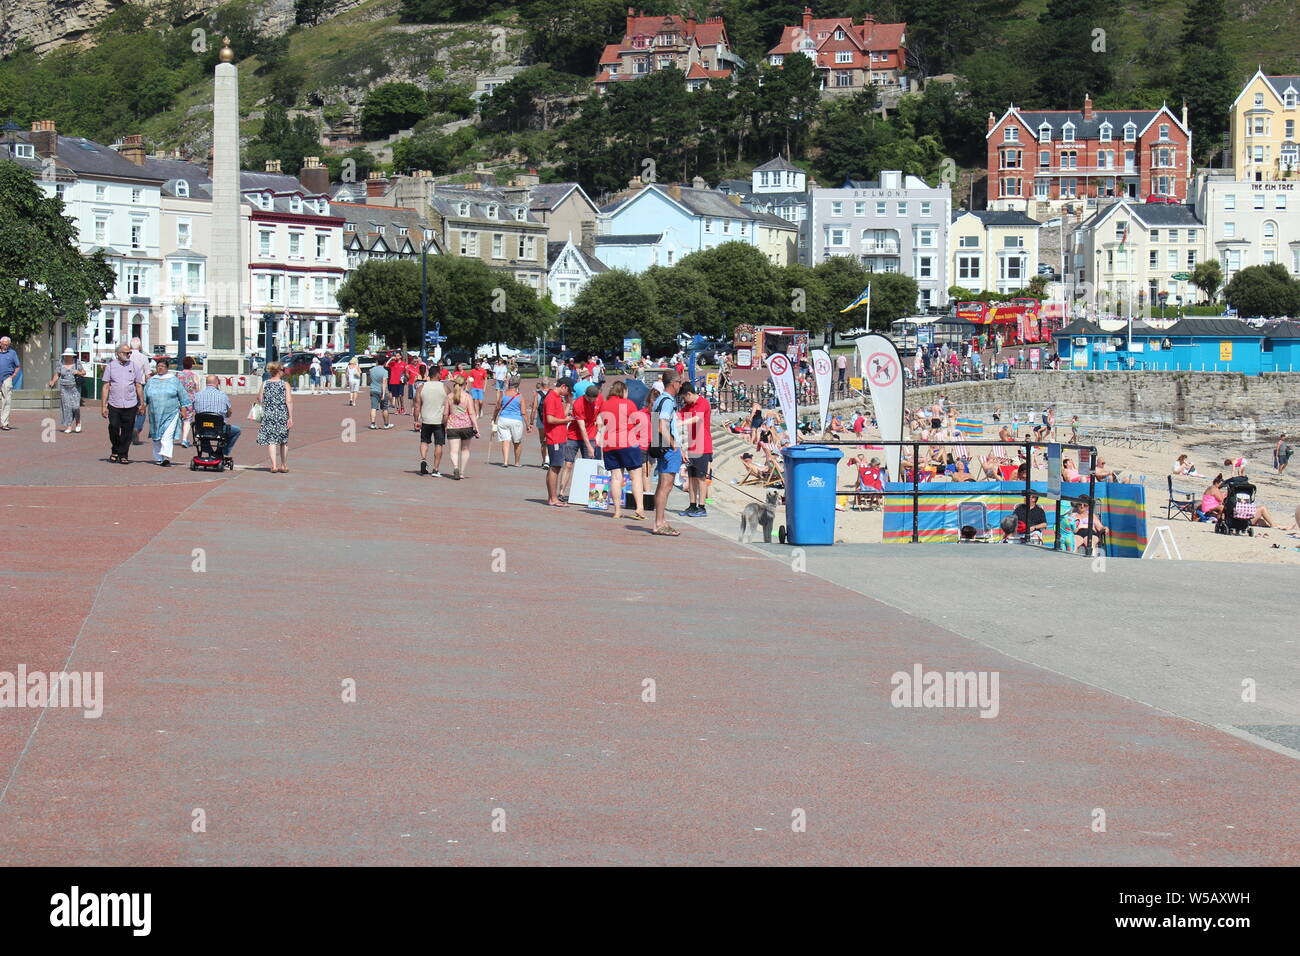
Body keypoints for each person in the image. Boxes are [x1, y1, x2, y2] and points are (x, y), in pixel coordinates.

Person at [597, 380, 647, 521]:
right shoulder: (628, 404)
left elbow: (602, 422)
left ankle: (617, 510)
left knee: (616, 478)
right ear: (623, 391)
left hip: (610, 444)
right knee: (636, 476)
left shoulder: (605, 404)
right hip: (627, 442)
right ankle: (640, 508)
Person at [649, 370, 683, 536]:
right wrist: (674, 444)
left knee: (662, 485)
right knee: (666, 486)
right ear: (673, 383)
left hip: (659, 446)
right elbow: (661, 425)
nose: (680, 385)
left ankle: (660, 520)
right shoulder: (668, 401)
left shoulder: (659, 399)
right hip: (668, 448)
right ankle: (659, 522)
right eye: (679, 382)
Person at [101, 342, 145, 463]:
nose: (129, 354)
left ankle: (123, 454)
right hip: (114, 403)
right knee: (113, 427)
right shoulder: (111, 366)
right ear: (118, 353)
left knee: (127, 430)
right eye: (126, 352)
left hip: (130, 403)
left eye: (130, 352)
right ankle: (115, 448)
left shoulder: (134, 366)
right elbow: (105, 386)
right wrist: (103, 406)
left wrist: (142, 403)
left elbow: (138, 385)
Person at [143, 357, 191, 466]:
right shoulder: (151, 381)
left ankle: (166, 457)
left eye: (163, 366)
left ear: (167, 368)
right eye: (158, 366)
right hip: (154, 413)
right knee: (156, 436)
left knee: (167, 435)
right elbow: (145, 397)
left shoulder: (174, 380)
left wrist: (183, 409)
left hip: (171, 413)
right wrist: (142, 407)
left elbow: (182, 396)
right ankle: (158, 457)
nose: (160, 368)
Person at [676, 382, 713, 517]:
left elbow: (697, 419)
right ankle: (692, 505)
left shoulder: (703, 403)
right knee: (691, 477)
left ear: (689, 394)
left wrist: (681, 423)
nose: (684, 401)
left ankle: (702, 507)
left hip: (703, 445)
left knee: (700, 478)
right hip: (691, 445)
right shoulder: (689, 406)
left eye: (684, 398)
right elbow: (678, 415)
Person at [561, 384, 600, 499]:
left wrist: (599, 432)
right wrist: (589, 446)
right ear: (586, 396)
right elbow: (582, 427)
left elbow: (601, 415)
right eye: (590, 399)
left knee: (589, 465)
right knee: (568, 464)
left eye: (594, 399)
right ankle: (561, 491)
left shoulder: (598, 400)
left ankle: (588, 493)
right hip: (574, 435)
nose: (592, 402)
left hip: (591, 434)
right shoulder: (578, 403)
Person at [256, 361, 294, 473]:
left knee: (271, 440)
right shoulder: (284, 384)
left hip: (268, 414)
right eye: (282, 370)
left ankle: (273, 465)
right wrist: (290, 417)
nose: (283, 372)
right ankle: (283, 465)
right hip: (282, 414)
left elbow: (259, 398)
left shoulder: (265, 383)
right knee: (283, 441)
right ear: (278, 371)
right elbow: (289, 401)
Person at [541, 379, 573, 506]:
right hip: (554, 437)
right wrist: (565, 421)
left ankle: (552, 497)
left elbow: (560, 416)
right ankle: (553, 498)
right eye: (569, 390)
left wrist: (569, 405)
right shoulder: (551, 398)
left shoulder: (557, 397)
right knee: (554, 467)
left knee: (556, 467)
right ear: (563, 387)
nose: (569, 393)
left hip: (559, 437)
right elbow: (550, 419)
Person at [192, 375, 241, 456]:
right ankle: (221, 451)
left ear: (206, 383)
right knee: (237, 431)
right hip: (219, 429)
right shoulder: (223, 395)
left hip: (202, 428)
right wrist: (227, 414)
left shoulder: (197, 395)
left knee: (201, 431)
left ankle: (210, 451)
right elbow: (229, 412)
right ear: (217, 382)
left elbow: (194, 410)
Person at [442, 376, 478, 480]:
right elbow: (471, 413)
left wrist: (444, 424)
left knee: (454, 450)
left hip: (452, 425)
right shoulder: (467, 397)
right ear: (465, 384)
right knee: (465, 449)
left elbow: (445, 413)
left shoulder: (449, 396)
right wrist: (476, 426)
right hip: (466, 425)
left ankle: (455, 467)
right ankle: (462, 472)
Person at [413, 369, 447, 476]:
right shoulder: (444, 387)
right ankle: (435, 469)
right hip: (439, 420)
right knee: (439, 444)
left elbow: (417, 405)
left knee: (424, 441)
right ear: (437, 374)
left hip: (426, 419)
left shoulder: (421, 387)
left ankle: (423, 459)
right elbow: (451, 402)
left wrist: (416, 420)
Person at [48, 349, 86, 434]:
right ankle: (68, 425)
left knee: (75, 406)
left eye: (69, 355)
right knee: (67, 407)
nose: (67, 357)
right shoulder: (61, 362)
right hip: (64, 387)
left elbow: (84, 372)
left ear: (72, 356)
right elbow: (57, 374)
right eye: (66, 355)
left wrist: (78, 372)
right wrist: (53, 381)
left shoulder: (77, 362)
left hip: (75, 387)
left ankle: (78, 422)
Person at [491, 377, 527, 467]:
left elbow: (497, 407)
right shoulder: (520, 396)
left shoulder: (503, 394)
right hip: (516, 420)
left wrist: (494, 418)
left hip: (503, 419)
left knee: (505, 441)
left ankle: (505, 461)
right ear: (518, 385)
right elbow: (523, 412)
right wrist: (528, 424)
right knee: (517, 442)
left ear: (509, 384)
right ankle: (517, 462)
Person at [176, 355, 201, 447]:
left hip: (178, 399)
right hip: (189, 399)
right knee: (187, 420)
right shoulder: (194, 375)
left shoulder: (178, 375)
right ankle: (184, 439)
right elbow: (197, 388)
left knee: (178, 418)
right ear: (191, 365)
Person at [0, 335, 19, 430]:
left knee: (6, 401)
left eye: (7, 345)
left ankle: (4, 423)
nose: (5, 346)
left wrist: (13, 375)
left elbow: (17, 366)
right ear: (0, 344)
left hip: (7, 378)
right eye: (4, 344)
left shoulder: (12, 353)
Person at [368, 360, 392, 429]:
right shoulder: (385, 371)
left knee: (373, 407)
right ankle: (386, 424)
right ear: (384, 363)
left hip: (373, 390)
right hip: (381, 391)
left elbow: (370, 379)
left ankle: (372, 424)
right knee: (385, 408)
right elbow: (384, 383)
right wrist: (384, 393)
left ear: (377, 362)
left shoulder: (372, 370)